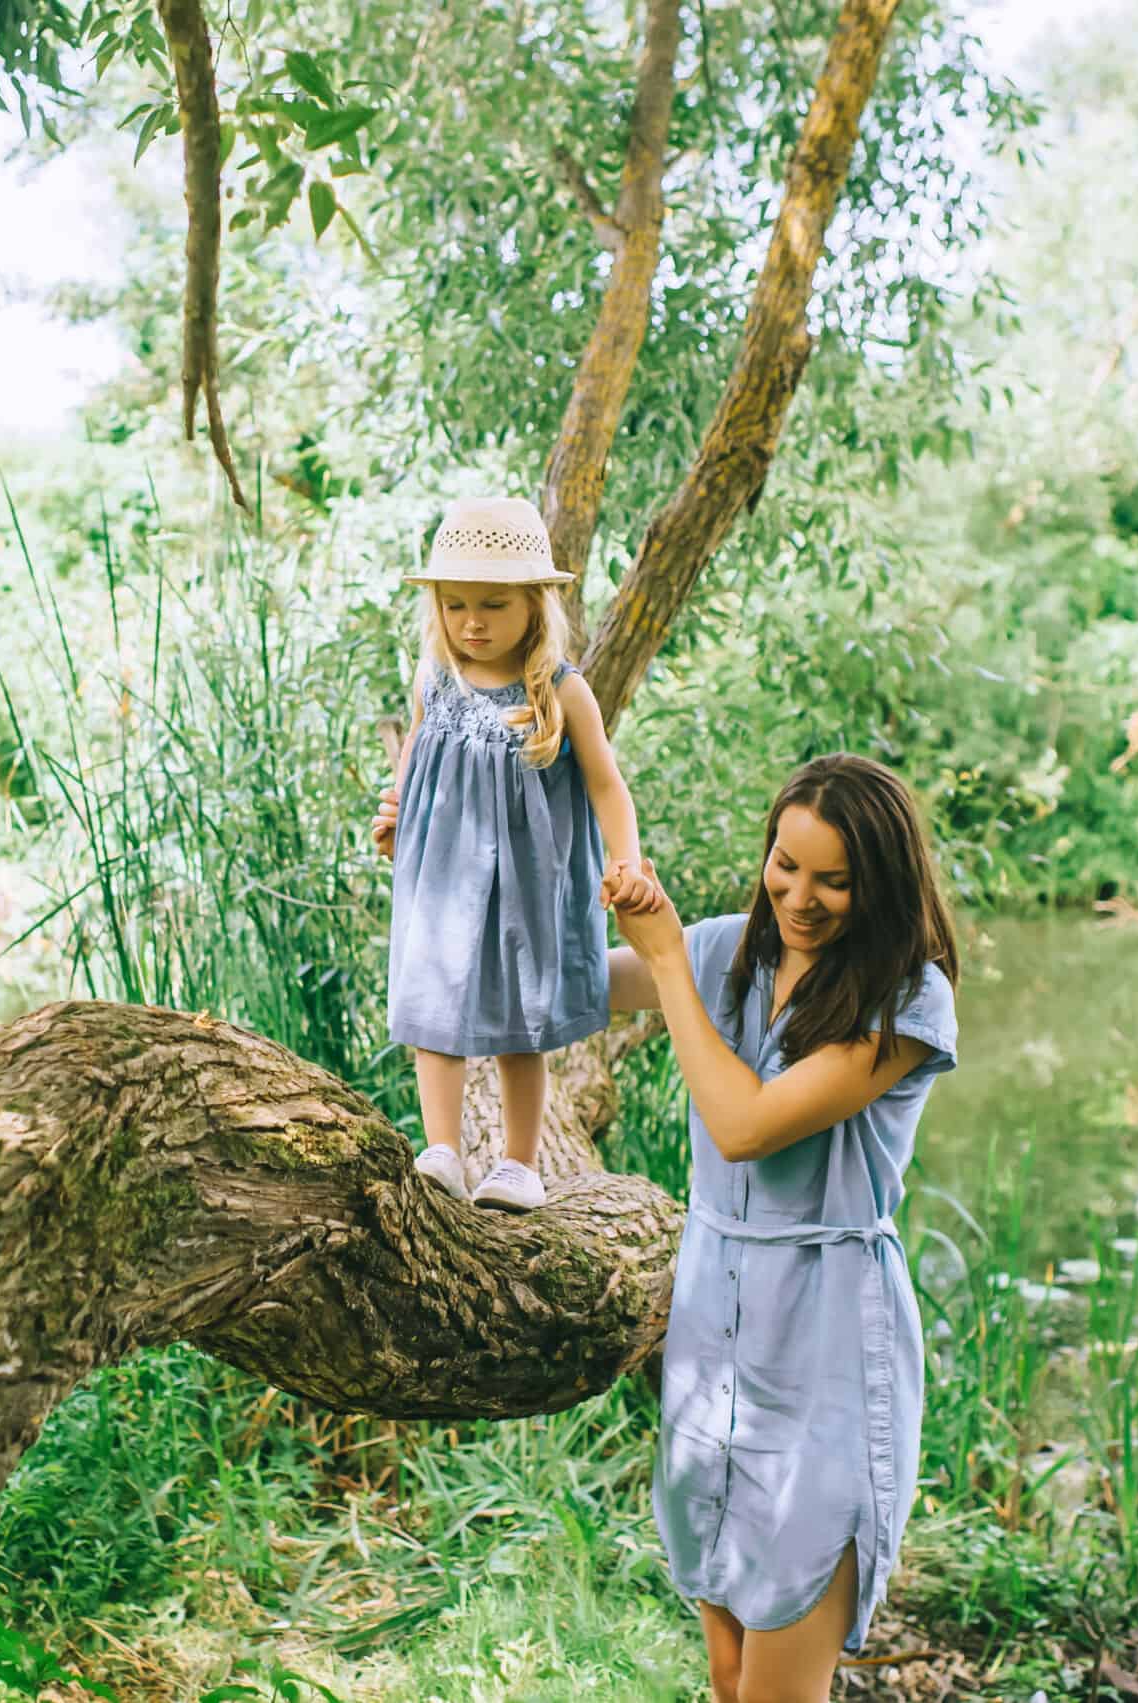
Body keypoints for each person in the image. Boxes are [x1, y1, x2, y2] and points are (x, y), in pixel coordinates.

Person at [607, 753, 960, 1703]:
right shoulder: (734, 950)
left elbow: (747, 1126)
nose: (799, 896)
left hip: (825, 1341)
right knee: (728, 1671)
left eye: (833, 880)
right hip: (714, 1333)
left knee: (777, 1684)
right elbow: (557, 986)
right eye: (785, 864)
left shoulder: (907, 1000)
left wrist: (672, 964)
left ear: (879, 883)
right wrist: (450, 855)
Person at [368, 494, 663, 1213]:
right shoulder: (433, 680)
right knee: (435, 1011)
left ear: (535, 605)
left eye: (493, 605)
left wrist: (625, 860)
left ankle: (519, 1163)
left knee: (516, 1022)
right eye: (456, 604)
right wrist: (394, 821)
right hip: (440, 878)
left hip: (524, 884)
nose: (472, 622)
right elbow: (415, 761)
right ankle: (441, 1148)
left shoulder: (562, 692)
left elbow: (607, 785)